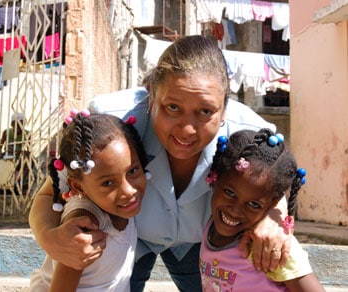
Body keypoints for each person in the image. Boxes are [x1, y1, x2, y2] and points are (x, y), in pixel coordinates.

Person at [29, 35, 291, 292]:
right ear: (152, 95)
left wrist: (272, 217)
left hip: (199, 243)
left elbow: (277, 183)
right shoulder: (111, 126)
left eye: (205, 112)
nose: (187, 130)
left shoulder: (252, 137)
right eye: (172, 108)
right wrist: (50, 238)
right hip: (128, 241)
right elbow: (50, 194)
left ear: (224, 108)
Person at [29, 110, 148, 291]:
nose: (128, 190)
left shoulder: (119, 207)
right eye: (108, 183)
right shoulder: (84, 227)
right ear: (78, 187)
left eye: (132, 171)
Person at [200, 129, 325, 291]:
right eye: (230, 193)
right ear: (214, 178)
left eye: (254, 204)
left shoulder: (272, 247)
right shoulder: (211, 225)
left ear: (273, 204)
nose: (235, 210)